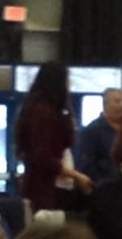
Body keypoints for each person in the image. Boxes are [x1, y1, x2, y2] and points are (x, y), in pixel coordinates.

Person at [14, 62, 86, 222]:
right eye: (67, 80)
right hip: (45, 186)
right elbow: (42, 156)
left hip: (58, 183)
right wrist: (76, 176)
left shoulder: (58, 109)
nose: (70, 85)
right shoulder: (42, 112)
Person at [74, 87, 122, 187]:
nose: (121, 105)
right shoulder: (92, 131)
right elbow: (86, 165)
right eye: (117, 101)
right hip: (104, 188)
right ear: (105, 104)